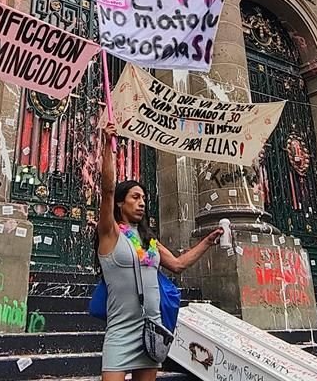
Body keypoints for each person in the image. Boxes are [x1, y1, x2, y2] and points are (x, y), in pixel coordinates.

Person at [96, 121, 225, 381]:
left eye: (143, 198)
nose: (141, 202)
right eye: (134, 197)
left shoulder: (148, 240)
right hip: (121, 330)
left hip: (152, 327)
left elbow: (177, 264)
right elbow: (108, 189)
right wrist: (106, 147)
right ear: (121, 202)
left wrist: (207, 242)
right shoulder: (110, 233)